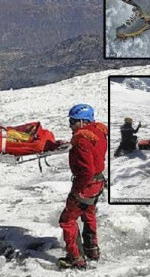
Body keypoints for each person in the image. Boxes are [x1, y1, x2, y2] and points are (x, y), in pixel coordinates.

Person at [57, 104, 107, 269]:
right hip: (98, 183)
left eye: (73, 121)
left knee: (67, 219)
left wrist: (77, 189)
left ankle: (75, 257)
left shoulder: (82, 140)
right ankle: (92, 249)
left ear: (84, 122)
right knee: (88, 214)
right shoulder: (98, 132)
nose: (70, 125)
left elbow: (87, 170)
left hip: (86, 185)